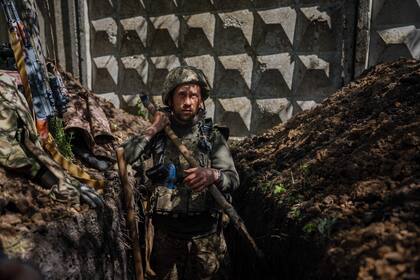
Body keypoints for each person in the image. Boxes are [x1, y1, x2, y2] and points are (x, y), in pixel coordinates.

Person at [122, 66, 240, 280]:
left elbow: (233, 179)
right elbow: (125, 156)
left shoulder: (212, 137)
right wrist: (153, 129)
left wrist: (213, 175)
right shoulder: (158, 135)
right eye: (182, 95)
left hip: (206, 238)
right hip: (165, 238)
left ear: (201, 99)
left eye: (193, 95)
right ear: (170, 99)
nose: (188, 102)